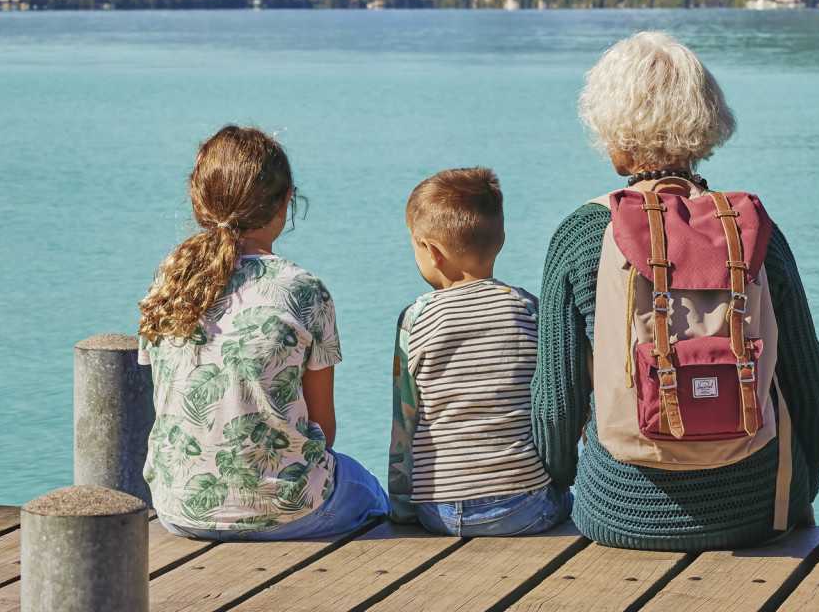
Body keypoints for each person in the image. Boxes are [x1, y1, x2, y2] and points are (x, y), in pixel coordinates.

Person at [531, 31, 819, 551]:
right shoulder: (753, 230)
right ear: (704, 124)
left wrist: (558, 486)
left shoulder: (582, 234)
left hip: (620, 511)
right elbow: (812, 391)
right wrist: (799, 490)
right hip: (759, 506)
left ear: (616, 136)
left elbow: (556, 405)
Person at [137, 125, 388, 540]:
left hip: (177, 508)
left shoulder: (170, 282)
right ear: (286, 202)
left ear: (198, 201)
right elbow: (323, 427)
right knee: (368, 489)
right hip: (288, 513)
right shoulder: (302, 290)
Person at [388, 168, 569, 537]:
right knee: (566, 499)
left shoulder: (415, 319)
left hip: (438, 510)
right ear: (500, 238)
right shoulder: (529, 309)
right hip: (524, 508)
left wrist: (405, 508)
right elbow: (552, 404)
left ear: (432, 253)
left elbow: (404, 422)